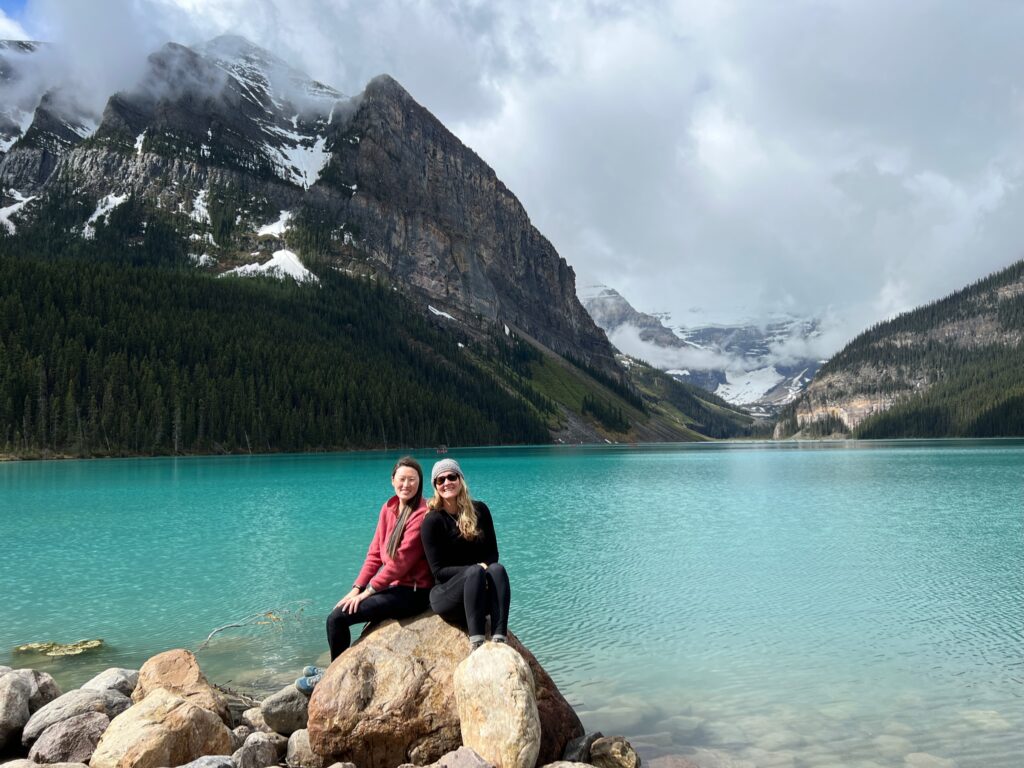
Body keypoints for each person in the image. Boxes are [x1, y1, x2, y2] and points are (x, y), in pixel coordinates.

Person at [295, 456, 433, 693]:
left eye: (412, 480)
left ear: (419, 483)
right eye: (402, 479)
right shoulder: (389, 508)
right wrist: (357, 588)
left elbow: (400, 563)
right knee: (338, 613)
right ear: (392, 480)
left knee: (338, 618)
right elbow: (374, 555)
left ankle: (331, 679)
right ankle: (336, 669)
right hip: (395, 587)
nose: (406, 485)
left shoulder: (422, 513)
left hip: (413, 593)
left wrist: (369, 591)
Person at [419, 458, 511, 652]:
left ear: (460, 479)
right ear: (435, 486)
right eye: (440, 480)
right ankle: (476, 643)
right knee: (475, 572)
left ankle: (500, 638)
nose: (447, 483)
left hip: (478, 597)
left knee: (498, 570)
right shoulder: (432, 521)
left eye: (451, 476)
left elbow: (492, 554)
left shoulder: (480, 510)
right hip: (447, 597)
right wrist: (475, 570)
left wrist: (481, 569)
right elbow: (438, 572)